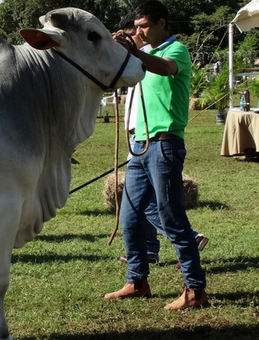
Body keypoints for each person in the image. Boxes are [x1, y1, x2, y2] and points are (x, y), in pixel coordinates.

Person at [105, 1, 208, 310]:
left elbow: (164, 69)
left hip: (164, 145)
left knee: (171, 216)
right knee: (130, 215)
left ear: (162, 23)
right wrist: (118, 48)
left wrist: (134, 51)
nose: (139, 32)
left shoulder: (176, 51)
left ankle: (195, 290)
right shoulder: (142, 56)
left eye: (144, 26)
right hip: (140, 145)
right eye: (136, 28)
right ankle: (137, 281)